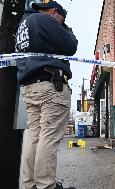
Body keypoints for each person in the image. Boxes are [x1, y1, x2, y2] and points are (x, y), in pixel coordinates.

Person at [15, 1, 77, 189]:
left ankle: (28, 184)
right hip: (50, 86)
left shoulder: (23, 24)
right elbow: (70, 45)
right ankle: (46, 185)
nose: (60, 22)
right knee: (49, 136)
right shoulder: (45, 19)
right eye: (61, 19)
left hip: (30, 86)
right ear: (53, 11)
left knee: (33, 135)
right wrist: (64, 27)